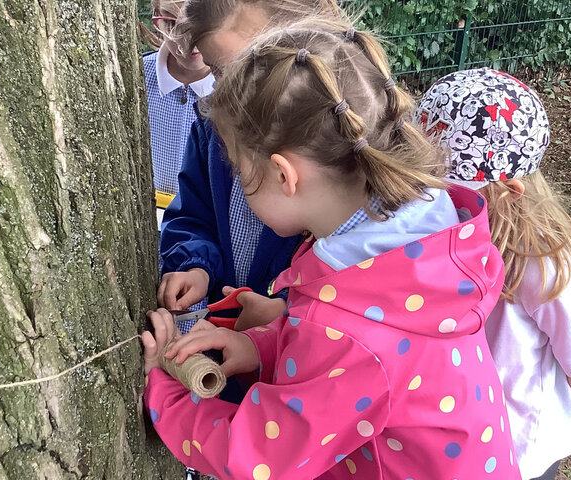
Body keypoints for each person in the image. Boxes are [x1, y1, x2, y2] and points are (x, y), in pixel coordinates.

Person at [142, 25, 521, 479]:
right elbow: (361, 365)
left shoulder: (346, 328)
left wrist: (164, 390)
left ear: (284, 176)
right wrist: (261, 347)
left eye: (242, 175)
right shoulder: (417, 243)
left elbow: (260, 456)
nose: (241, 188)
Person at [416, 67, 571, 480]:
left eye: (449, 192)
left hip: (516, 453)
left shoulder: (538, 261)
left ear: (509, 191)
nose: (432, 202)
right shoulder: (438, 235)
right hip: (471, 441)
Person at [156, 0, 345, 332]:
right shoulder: (214, 127)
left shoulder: (341, 151)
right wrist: (196, 266)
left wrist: (286, 318)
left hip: (294, 358)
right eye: (217, 70)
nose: (226, 91)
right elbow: (193, 214)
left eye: (247, 68)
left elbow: (354, 295)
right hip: (223, 339)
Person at [142, 0, 214, 229]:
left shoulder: (240, 92)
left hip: (204, 233)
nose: (188, 39)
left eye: (200, 23)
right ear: (157, 20)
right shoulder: (137, 76)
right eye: (173, 24)